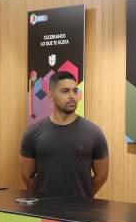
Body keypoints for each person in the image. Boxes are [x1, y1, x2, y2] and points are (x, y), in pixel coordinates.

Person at [19, 71, 109, 199]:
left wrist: (83, 197)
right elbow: (26, 176)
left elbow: (102, 175)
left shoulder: (94, 133)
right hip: (43, 212)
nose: (72, 96)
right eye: (65, 91)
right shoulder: (33, 132)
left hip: (81, 213)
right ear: (51, 95)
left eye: (75, 91)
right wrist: (43, 198)